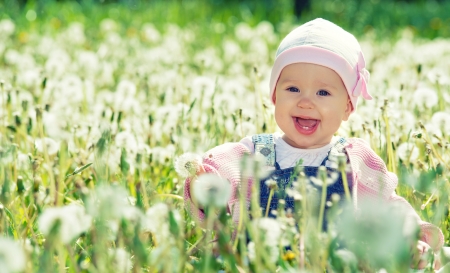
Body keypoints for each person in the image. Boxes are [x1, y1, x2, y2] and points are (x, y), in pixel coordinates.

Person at [178, 18, 444, 269]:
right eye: (292, 89)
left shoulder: (354, 158)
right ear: (274, 96)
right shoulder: (252, 152)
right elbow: (214, 191)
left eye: (323, 92)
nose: (305, 101)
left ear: (347, 108)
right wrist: (203, 182)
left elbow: (387, 205)